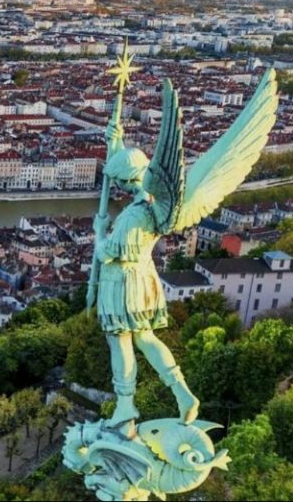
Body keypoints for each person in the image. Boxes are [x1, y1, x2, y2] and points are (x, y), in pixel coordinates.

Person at [93, 124, 199, 434]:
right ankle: (182, 392)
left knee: (120, 342)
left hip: (121, 282)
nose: (118, 188)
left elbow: (107, 253)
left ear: (128, 180)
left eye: (119, 182)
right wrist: (116, 142)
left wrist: (99, 232)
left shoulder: (131, 215)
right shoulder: (153, 205)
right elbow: (127, 167)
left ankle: (125, 406)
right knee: (147, 338)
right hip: (144, 278)